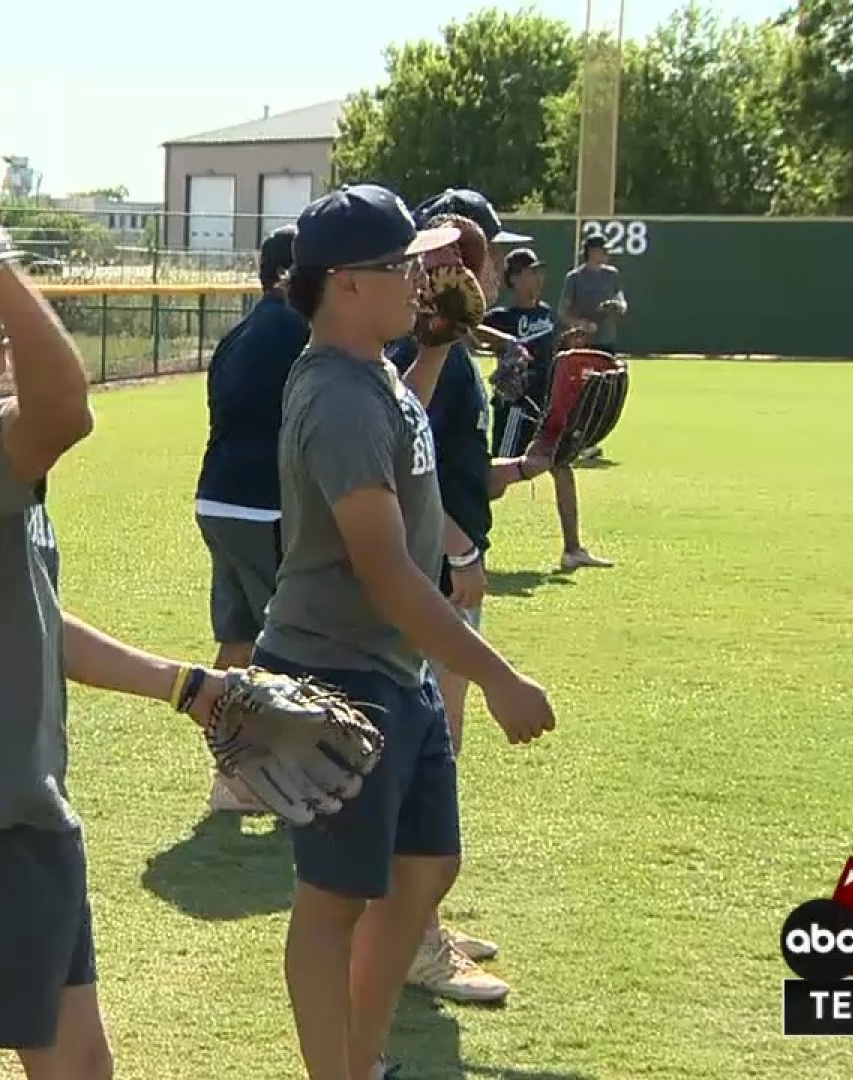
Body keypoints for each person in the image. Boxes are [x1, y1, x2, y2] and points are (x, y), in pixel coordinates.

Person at [0, 213, 238, 1079]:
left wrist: (185, 685)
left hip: (15, 819)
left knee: (78, 1067)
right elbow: (67, 410)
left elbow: (37, 621)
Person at [257, 183, 557, 1080]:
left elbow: (410, 444)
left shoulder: (374, 367)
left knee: (426, 868)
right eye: (403, 266)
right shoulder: (339, 393)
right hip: (339, 675)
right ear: (345, 284)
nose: (425, 278)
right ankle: (341, 1070)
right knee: (333, 897)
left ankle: (360, 1051)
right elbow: (385, 572)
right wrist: (498, 675)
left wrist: (430, 354)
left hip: (395, 669)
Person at [385, 195, 553, 1008]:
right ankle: (415, 943)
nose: (485, 270)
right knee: (431, 754)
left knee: (437, 753)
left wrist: (535, 461)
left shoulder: (445, 347)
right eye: (478, 256)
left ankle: (424, 920)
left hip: (451, 563)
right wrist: (458, 546)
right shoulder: (420, 352)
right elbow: (401, 458)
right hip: (435, 571)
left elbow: (460, 469)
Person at [192, 223, 306, 814]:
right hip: (262, 505)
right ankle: (260, 776)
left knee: (237, 640)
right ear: (291, 274)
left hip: (215, 500)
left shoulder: (239, 334)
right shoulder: (297, 331)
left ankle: (227, 774)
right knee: (283, 643)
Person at [491, 247, 615, 571]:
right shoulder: (502, 317)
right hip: (514, 409)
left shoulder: (546, 313)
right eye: (531, 271)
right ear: (515, 278)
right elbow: (471, 332)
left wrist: (568, 341)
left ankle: (572, 549)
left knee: (561, 465)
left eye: (540, 270)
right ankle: (461, 544)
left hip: (545, 406)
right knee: (493, 482)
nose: (539, 276)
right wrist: (504, 346)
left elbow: (550, 349)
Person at [557, 233, 630, 461]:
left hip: (607, 342)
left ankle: (591, 441)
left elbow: (622, 301)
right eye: (601, 249)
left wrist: (618, 307)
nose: (605, 254)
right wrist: (581, 324)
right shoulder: (575, 278)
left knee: (603, 396)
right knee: (582, 395)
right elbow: (563, 311)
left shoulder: (612, 276)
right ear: (590, 251)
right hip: (584, 345)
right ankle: (575, 441)